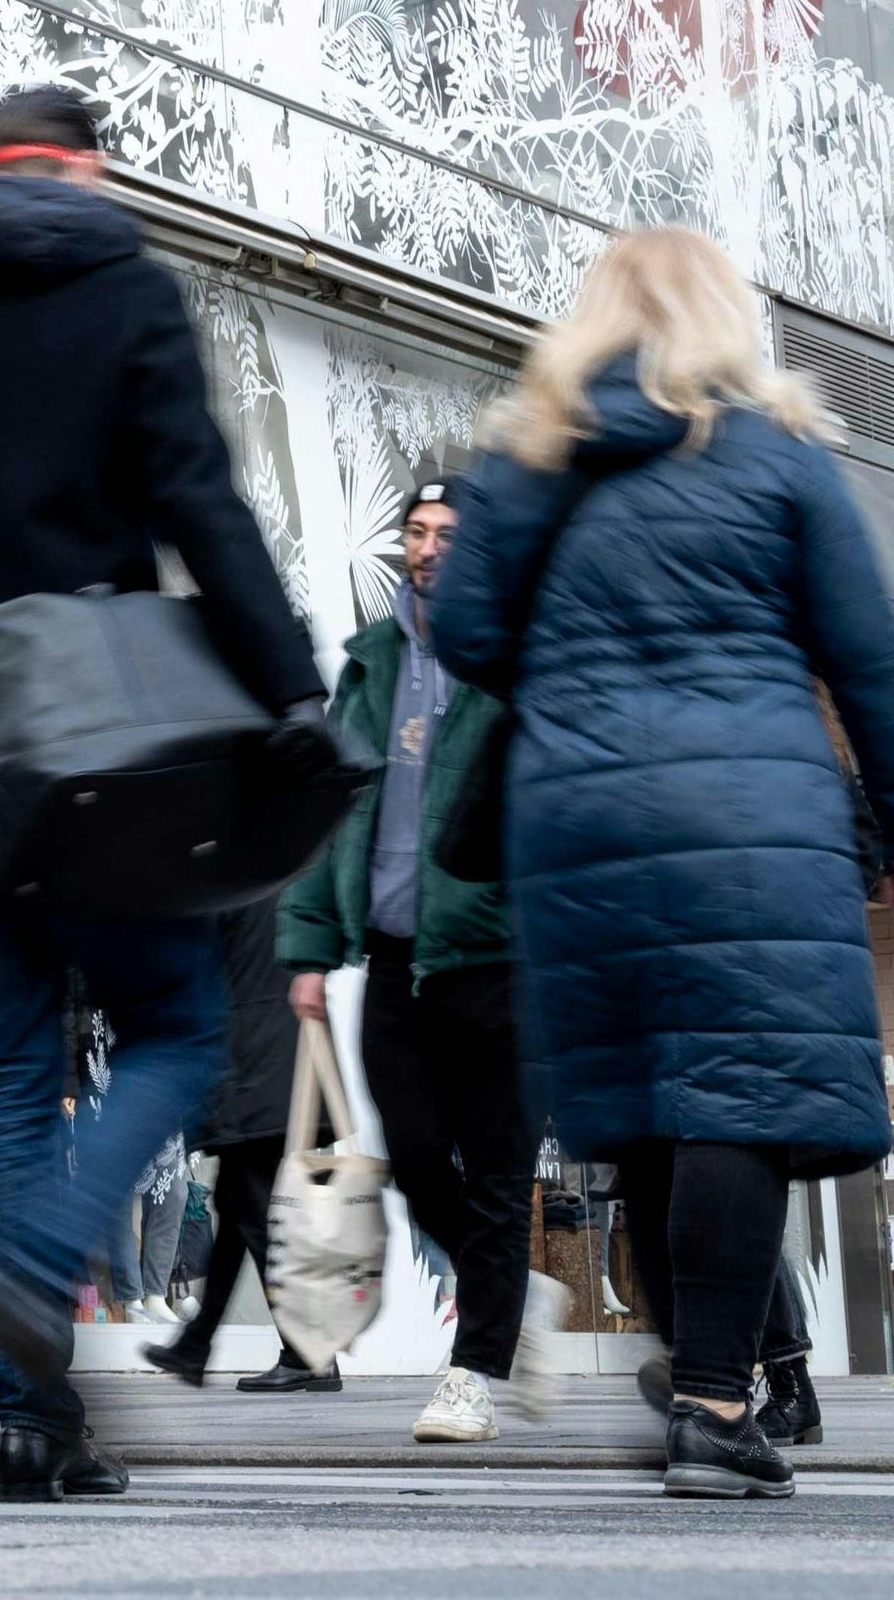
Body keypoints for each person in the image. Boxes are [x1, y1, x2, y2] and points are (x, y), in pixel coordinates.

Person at [0, 87, 335, 1504]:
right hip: (96, 759)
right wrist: (289, 690)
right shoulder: (130, 297)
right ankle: (46, 1268)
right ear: (86, 170)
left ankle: (35, 1419)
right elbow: (203, 508)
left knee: (11, 1081)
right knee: (172, 1021)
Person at [426, 224, 894, 1502]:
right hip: (749, 809)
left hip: (576, 816)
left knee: (645, 1109)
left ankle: (700, 1377)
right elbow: (871, 659)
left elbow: (461, 628)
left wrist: (575, 682)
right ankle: (717, 1404)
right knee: (739, 1094)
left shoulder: (522, 458)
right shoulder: (778, 457)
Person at [278, 476, 563, 1441]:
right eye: (415, 530)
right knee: (407, 1154)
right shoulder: (372, 664)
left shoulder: (521, 659)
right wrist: (312, 950)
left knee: (495, 1169)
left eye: (447, 533)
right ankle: (511, 1295)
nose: (428, 547)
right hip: (398, 956)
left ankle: (474, 1370)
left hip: (502, 953)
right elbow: (330, 817)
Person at [146, 901, 327, 1395]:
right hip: (270, 1053)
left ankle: (308, 1351)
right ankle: (196, 1344)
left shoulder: (231, 878)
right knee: (239, 1208)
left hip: (249, 1059)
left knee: (254, 1214)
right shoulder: (278, 862)